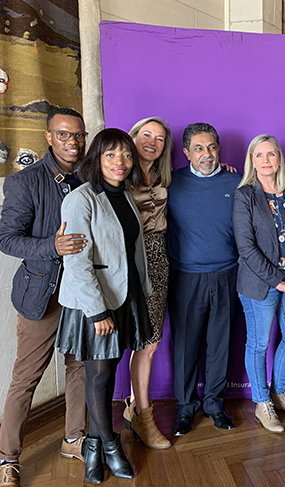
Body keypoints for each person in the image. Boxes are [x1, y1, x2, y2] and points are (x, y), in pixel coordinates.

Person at [55, 128, 152, 484]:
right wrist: (97, 312)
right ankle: (110, 444)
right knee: (97, 376)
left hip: (123, 297)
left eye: (126, 155)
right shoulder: (82, 199)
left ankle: (94, 446)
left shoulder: (124, 195)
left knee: (108, 373)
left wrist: (143, 290)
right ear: (96, 158)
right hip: (93, 303)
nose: (120, 162)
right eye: (110, 155)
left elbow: (128, 251)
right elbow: (77, 261)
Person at [0, 108, 88, 486]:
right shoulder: (26, 182)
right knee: (26, 378)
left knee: (80, 367)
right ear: (49, 137)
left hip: (82, 294)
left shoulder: (90, 177)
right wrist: (50, 246)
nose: (73, 142)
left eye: (79, 135)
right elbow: (5, 238)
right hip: (42, 294)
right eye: (64, 135)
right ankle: (7, 458)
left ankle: (74, 439)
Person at [233, 135, 285, 433]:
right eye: (259, 155)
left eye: (271, 154)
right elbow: (245, 247)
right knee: (258, 344)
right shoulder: (245, 195)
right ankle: (261, 403)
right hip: (260, 285)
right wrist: (278, 281)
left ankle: (279, 393)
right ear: (252, 161)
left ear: (279, 159)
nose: (266, 160)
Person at [167, 122, 242, 436]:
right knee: (185, 345)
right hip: (185, 277)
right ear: (186, 152)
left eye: (211, 147)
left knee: (220, 344)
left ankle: (213, 404)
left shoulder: (237, 181)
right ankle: (185, 408)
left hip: (227, 275)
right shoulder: (171, 184)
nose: (206, 154)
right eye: (198, 148)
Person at [121, 117, 173, 450]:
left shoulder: (163, 176)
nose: (152, 141)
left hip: (158, 261)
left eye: (159, 138)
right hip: (125, 262)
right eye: (146, 134)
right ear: (133, 137)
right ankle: (132, 412)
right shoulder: (116, 173)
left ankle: (141, 413)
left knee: (150, 343)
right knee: (119, 340)